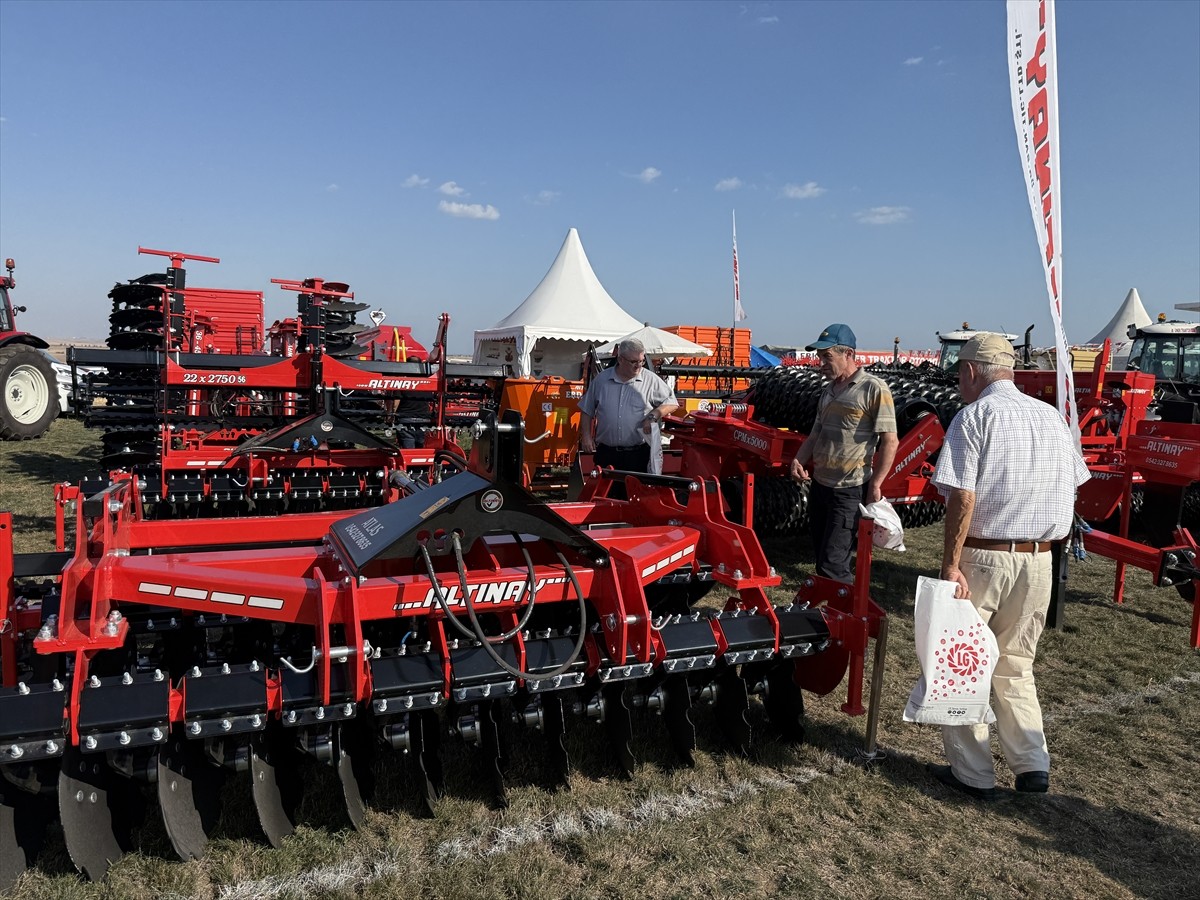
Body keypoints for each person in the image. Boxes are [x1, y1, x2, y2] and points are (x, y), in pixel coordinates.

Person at [927, 333, 1089, 800]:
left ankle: (973, 773)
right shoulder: (1052, 418)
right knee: (1016, 663)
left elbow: (962, 494)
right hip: (1039, 559)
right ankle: (1031, 765)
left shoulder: (974, 417)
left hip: (985, 557)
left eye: (960, 371)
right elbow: (1075, 480)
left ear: (974, 371)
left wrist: (950, 564)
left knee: (961, 664)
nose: (958, 380)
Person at [790, 323, 898, 583]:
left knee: (833, 564)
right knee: (821, 554)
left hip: (849, 489)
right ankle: (835, 613)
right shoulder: (828, 391)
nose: (821, 363)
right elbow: (816, 433)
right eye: (820, 357)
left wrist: (877, 484)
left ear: (848, 354)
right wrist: (798, 459)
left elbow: (890, 441)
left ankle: (849, 615)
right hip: (820, 486)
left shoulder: (873, 388)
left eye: (828, 357)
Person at [578, 338, 678, 475]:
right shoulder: (602, 380)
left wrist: (653, 416)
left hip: (637, 455)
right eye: (634, 362)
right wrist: (586, 437)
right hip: (607, 454)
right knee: (607, 494)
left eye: (641, 361)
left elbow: (672, 402)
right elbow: (586, 409)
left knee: (634, 495)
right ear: (620, 359)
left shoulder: (650, 379)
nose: (639, 365)